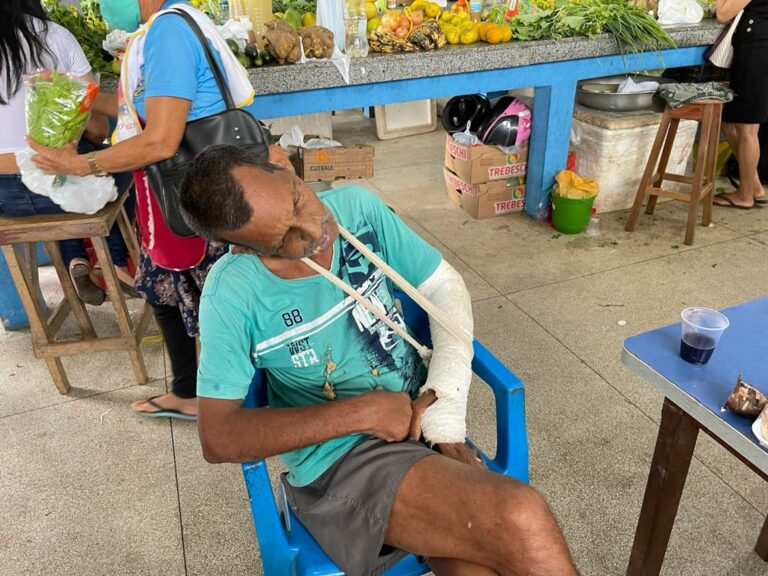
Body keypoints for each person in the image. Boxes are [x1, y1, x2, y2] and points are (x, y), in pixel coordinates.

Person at [180, 144, 579, 576]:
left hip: (418, 426)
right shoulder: (232, 294)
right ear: (240, 248)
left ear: (283, 162)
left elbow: (443, 288)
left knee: (477, 562)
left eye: (297, 200)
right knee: (521, 515)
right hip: (341, 462)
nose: (313, 232)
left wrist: (443, 411)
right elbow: (217, 438)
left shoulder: (356, 209)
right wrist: (360, 413)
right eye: (281, 242)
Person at [29, 0, 260, 420]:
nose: (102, 5)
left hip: (198, 191)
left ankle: (236, 393)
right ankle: (192, 390)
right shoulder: (165, 26)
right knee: (162, 285)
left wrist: (79, 164)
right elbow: (136, 109)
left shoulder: (167, 33)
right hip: (190, 186)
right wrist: (71, 90)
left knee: (212, 293)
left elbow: (159, 141)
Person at [0, 0, 135, 306]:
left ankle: (75, 260)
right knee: (113, 161)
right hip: (52, 190)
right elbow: (98, 128)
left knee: (62, 168)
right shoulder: (53, 35)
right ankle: (112, 261)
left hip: (3, 198)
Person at [714, 0, 768, 209]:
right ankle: (753, 185)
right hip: (758, 45)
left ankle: (745, 195)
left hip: (756, 48)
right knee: (729, 122)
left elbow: (722, 13)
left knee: (747, 128)